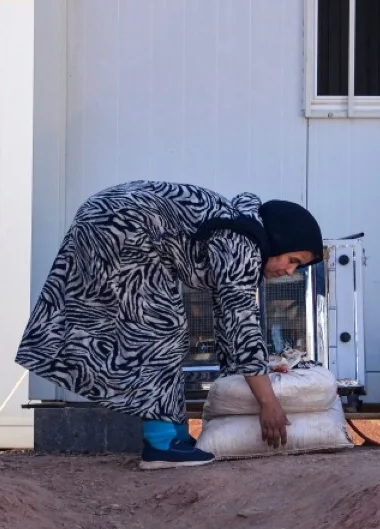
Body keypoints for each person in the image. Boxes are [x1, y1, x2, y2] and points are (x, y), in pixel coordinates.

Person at [16, 181, 324, 470]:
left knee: (170, 331)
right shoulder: (242, 244)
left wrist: (243, 378)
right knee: (160, 328)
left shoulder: (242, 233)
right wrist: (267, 402)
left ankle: (172, 434)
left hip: (109, 218)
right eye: (292, 259)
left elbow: (228, 322)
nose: (289, 271)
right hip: (120, 225)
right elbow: (241, 323)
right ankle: (161, 444)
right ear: (279, 240)